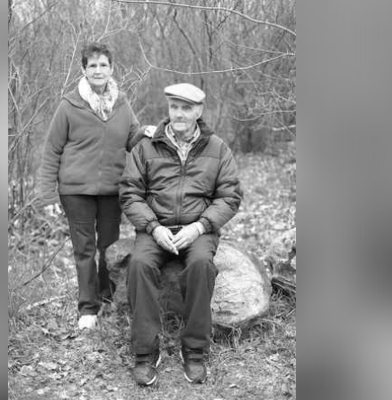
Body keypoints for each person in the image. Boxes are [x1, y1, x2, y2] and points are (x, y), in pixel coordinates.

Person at [119, 83, 243, 385]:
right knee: (139, 265)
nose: (179, 114)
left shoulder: (217, 148)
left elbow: (229, 196)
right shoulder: (146, 146)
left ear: (199, 111)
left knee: (201, 265)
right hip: (155, 227)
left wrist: (200, 226)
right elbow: (129, 193)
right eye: (174, 107)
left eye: (186, 108)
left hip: (198, 228)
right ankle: (146, 353)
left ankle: (195, 351)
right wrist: (153, 227)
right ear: (168, 109)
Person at [34, 42, 152, 330]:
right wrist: (46, 194)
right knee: (84, 249)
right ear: (84, 70)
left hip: (112, 190)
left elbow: (131, 137)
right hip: (76, 191)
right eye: (92, 65)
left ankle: (108, 295)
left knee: (108, 247)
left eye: (103, 65)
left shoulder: (121, 103)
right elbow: (52, 150)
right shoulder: (70, 105)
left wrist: (146, 133)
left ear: (111, 69)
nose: (98, 70)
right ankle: (88, 307)